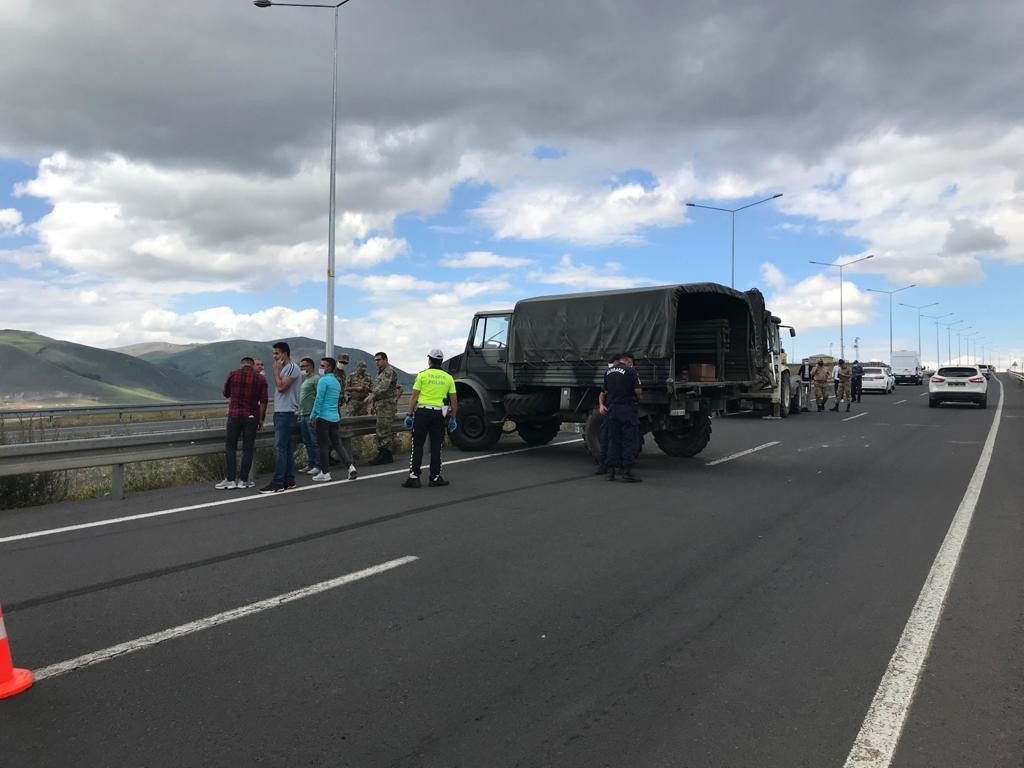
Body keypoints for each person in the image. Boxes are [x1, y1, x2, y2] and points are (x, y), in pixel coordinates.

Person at [402, 349, 459, 488]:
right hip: (439, 414)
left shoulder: (422, 375)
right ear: (441, 361)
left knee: (418, 445)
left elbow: (414, 396)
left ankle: (414, 477)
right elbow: (454, 400)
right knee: (436, 447)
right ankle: (434, 477)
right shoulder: (448, 377)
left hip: (422, 413)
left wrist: (409, 414)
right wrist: (453, 418)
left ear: (430, 360)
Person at [216, 356, 268, 489]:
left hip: (234, 415)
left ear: (242, 364)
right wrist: (261, 419)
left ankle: (230, 479)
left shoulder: (233, 374)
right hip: (252, 417)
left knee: (230, 447)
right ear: (252, 365)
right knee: (248, 449)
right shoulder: (261, 378)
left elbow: (226, 393)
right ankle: (243, 480)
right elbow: (263, 401)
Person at [259, 341, 302, 493]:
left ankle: (278, 482)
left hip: (286, 413)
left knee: (280, 448)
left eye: (276, 353)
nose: (275, 357)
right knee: (286, 448)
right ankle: (289, 480)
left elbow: (282, 387)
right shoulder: (286, 369)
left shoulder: (291, 368)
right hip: (283, 412)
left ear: (284, 353)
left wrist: (276, 372)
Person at [309, 357, 357, 482]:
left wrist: (313, 416)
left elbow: (319, 399)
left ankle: (325, 473)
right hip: (335, 418)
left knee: (323, 446)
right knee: (337, 444)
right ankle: (350, 467)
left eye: (323, 366)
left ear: (329, 367)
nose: (320, 368)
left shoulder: (323, 381)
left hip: (323, 418)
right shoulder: (336, 382)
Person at [600, 351, 642, 482]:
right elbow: (638, 392)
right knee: (628, 440)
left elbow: (604, 391)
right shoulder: (631, 371)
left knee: (613, 440)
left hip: (612, 409)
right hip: (627, 410)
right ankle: (626, 472)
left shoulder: (608, 372)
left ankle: (611, 472)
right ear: (628, 360)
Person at [364, 351, 401, 465]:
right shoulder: (381, 372)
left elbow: (383, 387)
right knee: (381, 429)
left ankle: (386, 455)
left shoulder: (389, 371)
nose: (377, 362)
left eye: (379, 360)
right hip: (381, 405)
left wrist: (372, 395)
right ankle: (383, 453)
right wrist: (373, 404)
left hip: (386, 405)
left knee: (383, 430)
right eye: (375, 360)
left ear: (385, 360)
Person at [297, 357, 320, 474]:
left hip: (311, 415)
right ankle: (310, 464)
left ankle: (317, 465)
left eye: (303, 366)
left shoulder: (316, 379)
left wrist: (315, 414)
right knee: (307, 442)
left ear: (310, 367)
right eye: (300, 366)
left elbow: (319, 397)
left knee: (314, 441)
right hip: (303, 414)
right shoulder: (305, 380)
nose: (301, 368)